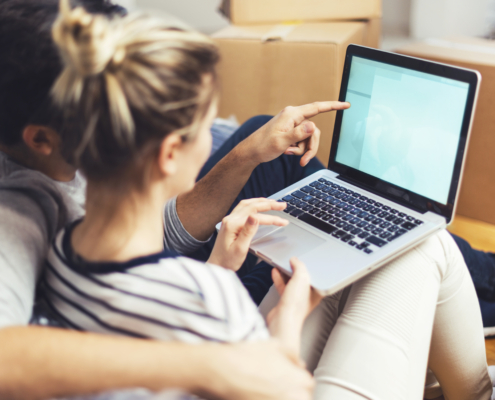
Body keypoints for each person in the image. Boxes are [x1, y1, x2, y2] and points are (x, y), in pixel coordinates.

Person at [40, 3, 494, 400]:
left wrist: (219, 263)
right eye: (205, 126)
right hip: (267, 360)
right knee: (420, 246)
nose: (211, 140)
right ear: (170, 153)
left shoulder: (62, 250)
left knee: (380, 251)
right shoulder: (209, 300)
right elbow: (284, 387)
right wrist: (290, 317)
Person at [0, 1, 315, 399]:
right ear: (43, 138)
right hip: (194, 305)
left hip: (153, 282)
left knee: (256, 134)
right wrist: (280, 338)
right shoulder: (18, 214)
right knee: (366, 277)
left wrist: (217, 267)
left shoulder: (67, 240)